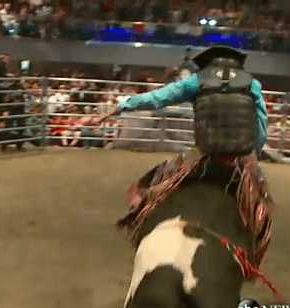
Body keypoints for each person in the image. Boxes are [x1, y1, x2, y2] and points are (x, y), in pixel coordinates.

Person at [102, 45, 272, 268]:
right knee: (262, 207)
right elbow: (261, 125)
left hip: (206, 154)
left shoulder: (197, 81)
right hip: (242, 156)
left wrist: (125, 105)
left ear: (208, 63)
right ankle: (253, 257)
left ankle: (140, 209)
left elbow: (159, 97)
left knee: (158, 180)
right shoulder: (253, 84)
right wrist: (252, 156)